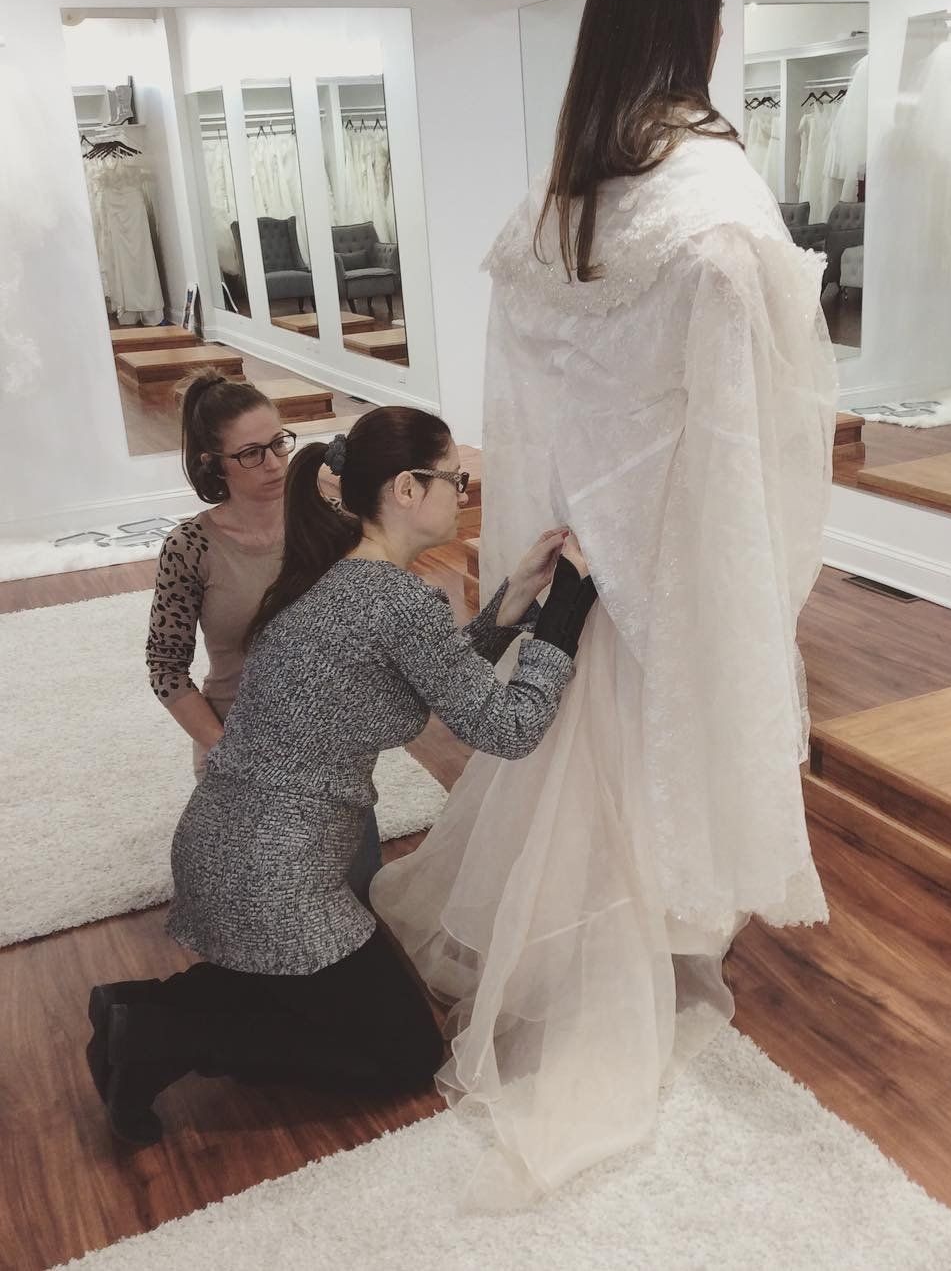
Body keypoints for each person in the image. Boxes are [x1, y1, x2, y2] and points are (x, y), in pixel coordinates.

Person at [370, 0, 838, 1208]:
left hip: (586, 537)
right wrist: (730, 548)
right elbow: (759, 403)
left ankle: (566, 939)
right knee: (652, 754)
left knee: (586, 743)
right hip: (684, 534)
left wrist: (556, 522)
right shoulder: (714, 195)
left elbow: (533, 382)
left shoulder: (563, 189)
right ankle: (618, 966)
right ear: (707, 25)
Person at [86, 407, 596, 1146]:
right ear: (408, 488)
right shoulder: (395, 599)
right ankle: (162, 1039)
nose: (463, 490)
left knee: (305, 994)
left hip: (228, 848)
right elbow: (507, 728)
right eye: (454, 477)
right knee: (405, 1055)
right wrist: (563, 622)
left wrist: (514, 601)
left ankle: (135, 1009)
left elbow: (433, 679)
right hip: (275, 875)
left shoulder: (342, 580)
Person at [146, 371, 381, 897]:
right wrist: (224, 747)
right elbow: (165, 668)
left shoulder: (333, 523)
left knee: (358, 902)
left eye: (279, 443)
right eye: (251, 453)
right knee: (270, 915)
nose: (275, 463)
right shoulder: (190, 548)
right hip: (239, 741)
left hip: (329, 744)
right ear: (213, 463)